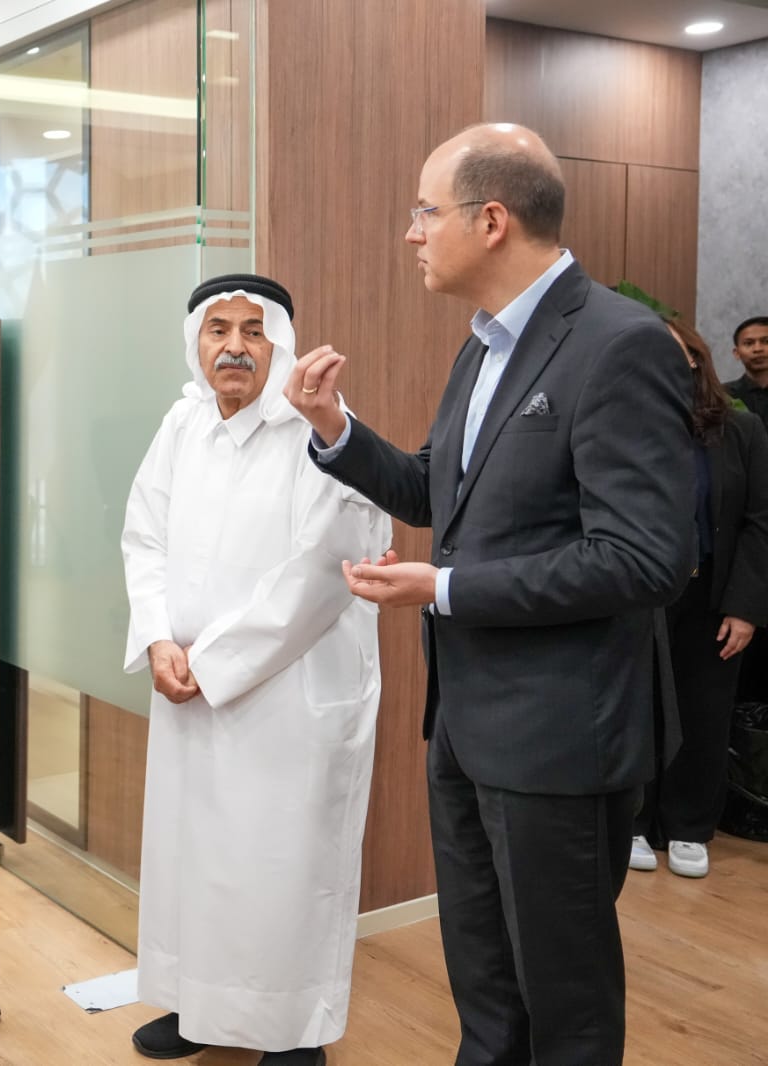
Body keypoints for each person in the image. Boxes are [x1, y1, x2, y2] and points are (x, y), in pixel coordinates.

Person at [285, 123, 695, 1066]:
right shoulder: (484, 346)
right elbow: (439, 489)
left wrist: (448, 587)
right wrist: (335, 427)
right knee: (486, 983)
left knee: (565, 999)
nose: (412, 233)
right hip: (467, 725)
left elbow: (644, 560)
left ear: (493, 220)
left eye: (426, 212)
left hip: (563, 737)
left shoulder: (621, 345)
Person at [121, 275, 389, 1066]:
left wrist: (217, 662)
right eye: (217, 330)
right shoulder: (182, 422)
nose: (233, 345)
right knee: (194, 860)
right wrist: (161, 637)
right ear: (195, 345)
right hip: (189, 685)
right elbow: (144, 539)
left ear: (281, 344)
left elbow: (324, 570)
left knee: (280, 870)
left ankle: (291, 1027)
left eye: (252, 330)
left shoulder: (322, 431)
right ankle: (199, 1006)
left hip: (287, 695)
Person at [631, 316, 768, 878]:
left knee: (705, 711)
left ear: (695, 358)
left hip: (712, 593)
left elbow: (760, 523)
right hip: (637, 593)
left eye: (675, 352)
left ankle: (689, 827)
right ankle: (634, 823)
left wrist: (744, 607)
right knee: (635, 709)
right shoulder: (626, 426)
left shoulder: (741, 430)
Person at [724, 315, 768, 424]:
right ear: (737, 353)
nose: (758, 349)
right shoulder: (722, 395)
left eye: (766, 341)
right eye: (748, 343)